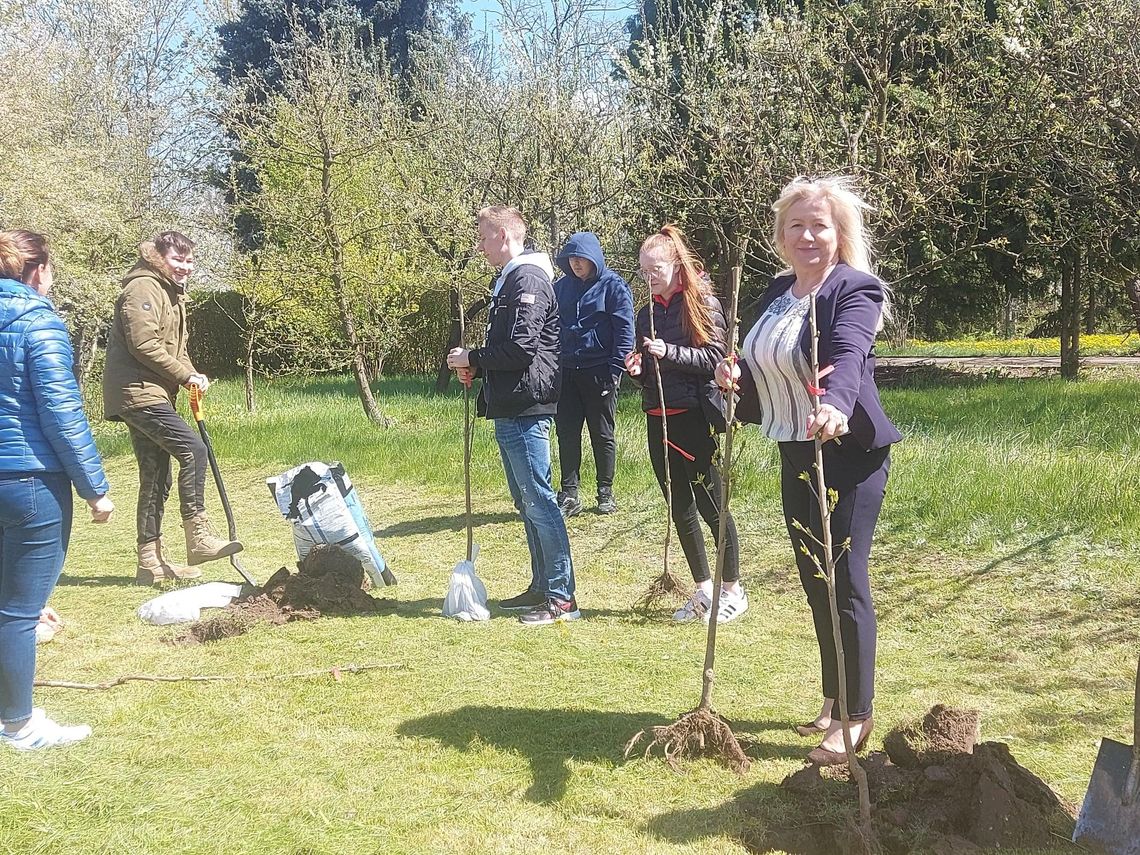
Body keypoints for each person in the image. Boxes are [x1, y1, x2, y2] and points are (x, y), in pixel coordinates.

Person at [716, 176, 902, 765]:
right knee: (815, 581)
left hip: (846, 451)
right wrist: (735, 384)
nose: (808, 235)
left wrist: (835, 405)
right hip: (795, 448)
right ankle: (834, 695)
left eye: (819, 225)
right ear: (781, 234)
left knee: (845, 581)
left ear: (839, 233)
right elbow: (762, 365)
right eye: (796, 225)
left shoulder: (856, 289)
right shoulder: (776, 293)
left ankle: (857, 715)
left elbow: (847, 354)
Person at [0, 230, 114, 749]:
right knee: (20, 613)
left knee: (14, 604)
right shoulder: (38, 322)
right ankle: (19, 725)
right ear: (37, 270)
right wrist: (95, 488)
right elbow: (63, 416)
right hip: (28, 481)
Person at [446, 206, 579, 626]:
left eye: (484, 238)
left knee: (540, 500)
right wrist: (478, 366)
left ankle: (562, 597)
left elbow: (522, 348)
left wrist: (473, 356)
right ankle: (542, 586)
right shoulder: (506, 280)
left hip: (527, 404)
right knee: (526, 501)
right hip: (508, 403)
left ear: (503, 236)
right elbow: (510, 348)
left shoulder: (528, 278)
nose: (480, 246)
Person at [103, 231, 241, 585]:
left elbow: (174, 349)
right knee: (194, 450)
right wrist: (184, 376)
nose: (185, 267)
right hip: (138, 392)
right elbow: (143, 344)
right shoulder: (143, 288)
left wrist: (192, 374)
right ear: (157, 258)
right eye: (178, 260)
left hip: (152, 392)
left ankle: (149, 561)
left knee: (156, 474)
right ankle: (199, 538)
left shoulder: (170, 292)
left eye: (190, 261)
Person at [625, 225, 745, 624]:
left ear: (677, 265)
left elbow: (717, 359)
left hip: (697, 417)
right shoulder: (646, 314)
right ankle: (704, 590)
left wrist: (668, 352)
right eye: (643, 272)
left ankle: (733, 589)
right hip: (657, 417)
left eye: (655, 269)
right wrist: (639, 370)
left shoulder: (702, 301)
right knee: (680, 507)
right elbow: (650, 369)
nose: (649, 278)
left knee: (713, 504)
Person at [552, 232, 634, 517]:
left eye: (581, 258)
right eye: (571, 258)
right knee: (567, 433)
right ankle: (570, 494)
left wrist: (615, 372)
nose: (575, 263)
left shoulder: (614, 287)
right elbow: (550, 329)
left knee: (602, 433)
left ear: (593, 258)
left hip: (600, 371)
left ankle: (605, 492)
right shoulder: (560, 288)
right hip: (567, 371)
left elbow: (625, 333)